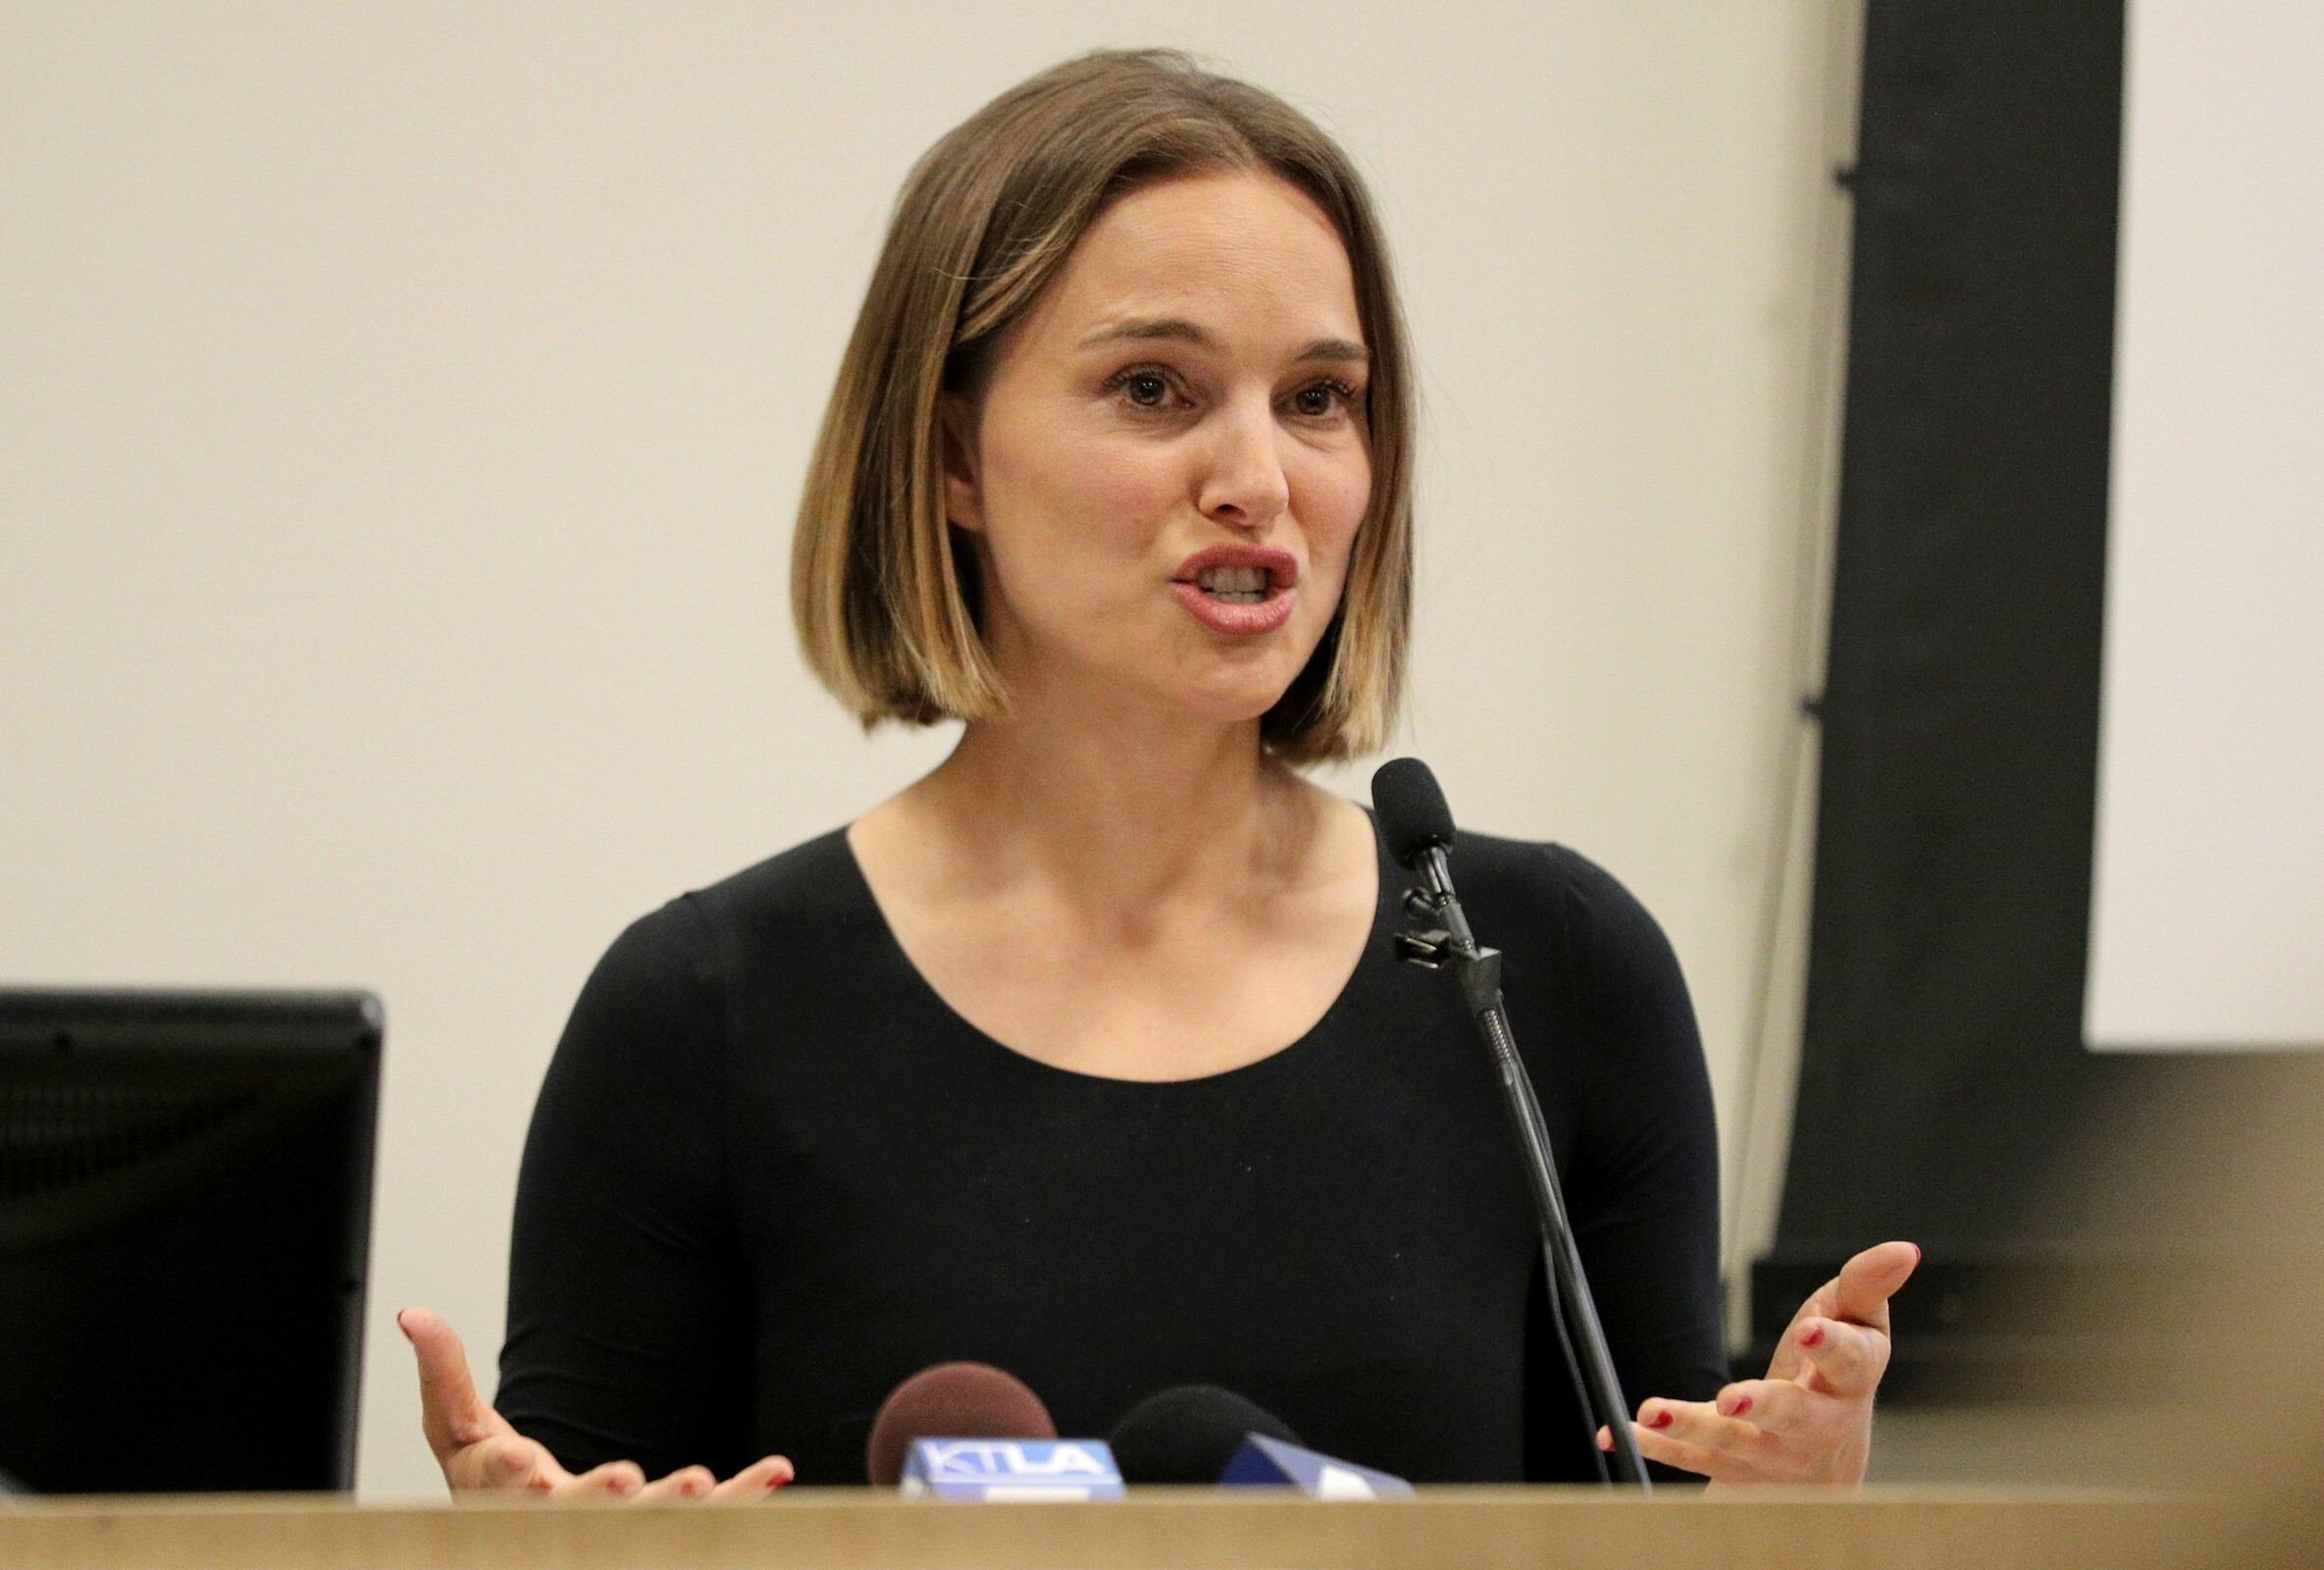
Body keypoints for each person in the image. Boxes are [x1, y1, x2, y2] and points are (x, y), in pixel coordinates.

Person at [400, 47, 1917, 1498]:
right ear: (949, 455)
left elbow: (1658, 1532)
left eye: (1316, 400)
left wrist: (1781, 1519)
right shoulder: (701, 1018)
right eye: (1152, 389)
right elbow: (586, 1521)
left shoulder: (1545, 978)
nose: (1257, 481)